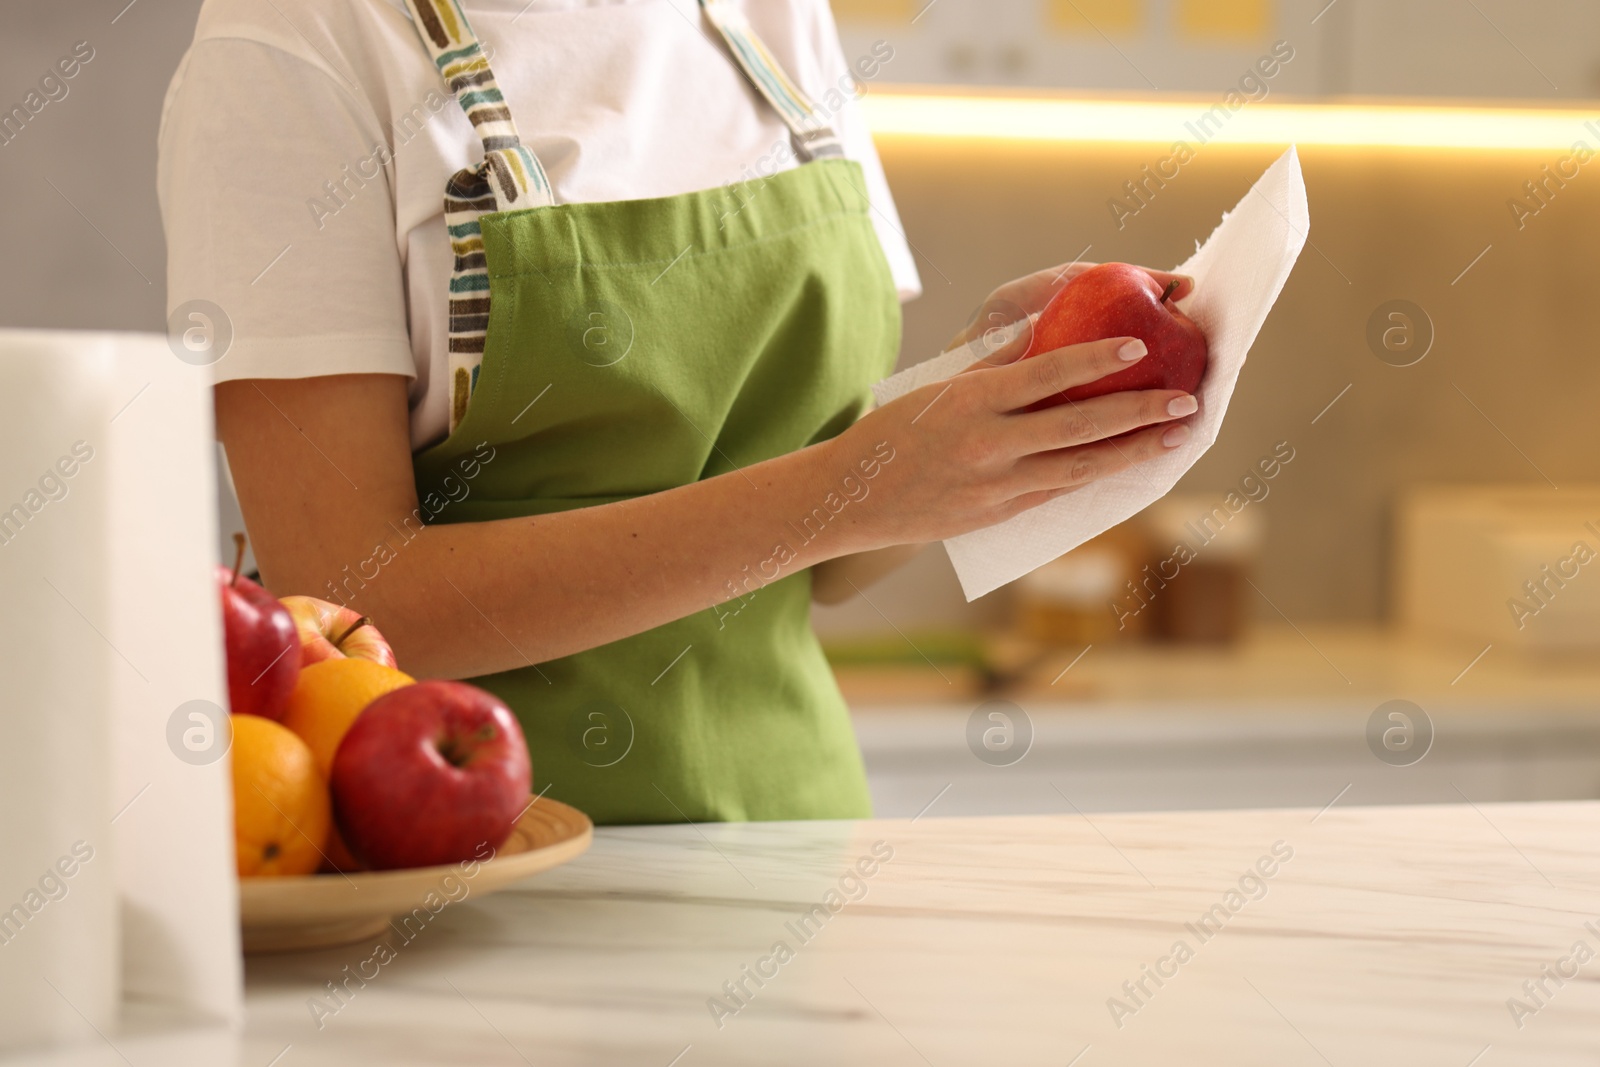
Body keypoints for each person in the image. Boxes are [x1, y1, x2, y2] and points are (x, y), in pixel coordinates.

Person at [158, 0, 1196, 824]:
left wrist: (995, 389)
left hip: (796, 837)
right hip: (474, 864)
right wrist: (850, 489)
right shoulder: (293, 46)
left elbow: (832, 558)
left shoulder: (769, 20)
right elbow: (350, 598)